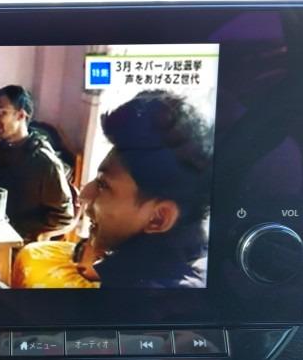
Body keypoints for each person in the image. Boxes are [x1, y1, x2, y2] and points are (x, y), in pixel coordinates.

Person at [80, 89, 211, 288]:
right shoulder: (173, 262)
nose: (84, 195)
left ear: (159, 218)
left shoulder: (155, 299)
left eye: (103, 185)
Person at [0, 85, 73, 241]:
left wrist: (30, 232)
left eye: (2, 113)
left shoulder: (44, 161)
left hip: (25, 239)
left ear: (21, 115)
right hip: (0, 230)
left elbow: (63, 217)